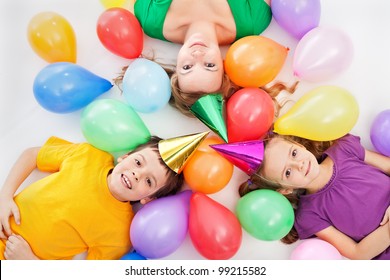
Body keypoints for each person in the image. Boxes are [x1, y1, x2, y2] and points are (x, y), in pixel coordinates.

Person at [0, 135, 185, 260]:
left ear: (149, 199)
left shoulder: (119, 235)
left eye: (149, 181)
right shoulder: (89, 155)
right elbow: (32, 154)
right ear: (125, 156)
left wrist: (30, 264)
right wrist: (4, 196)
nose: (137, 174)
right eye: (138, 162)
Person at [115, 0, 298, 117]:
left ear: (176, 69)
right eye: (209, 65)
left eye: (187, 67)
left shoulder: (151, 20)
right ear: (224, 65)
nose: (197, 55)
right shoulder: (252, 20)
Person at [238, 132, 390, 260]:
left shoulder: (344, 149)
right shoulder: (309, 215)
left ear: (299, 145)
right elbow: (357, 253)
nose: (299, 165)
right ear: (285, 190)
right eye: (288, 172)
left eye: (294, 153)